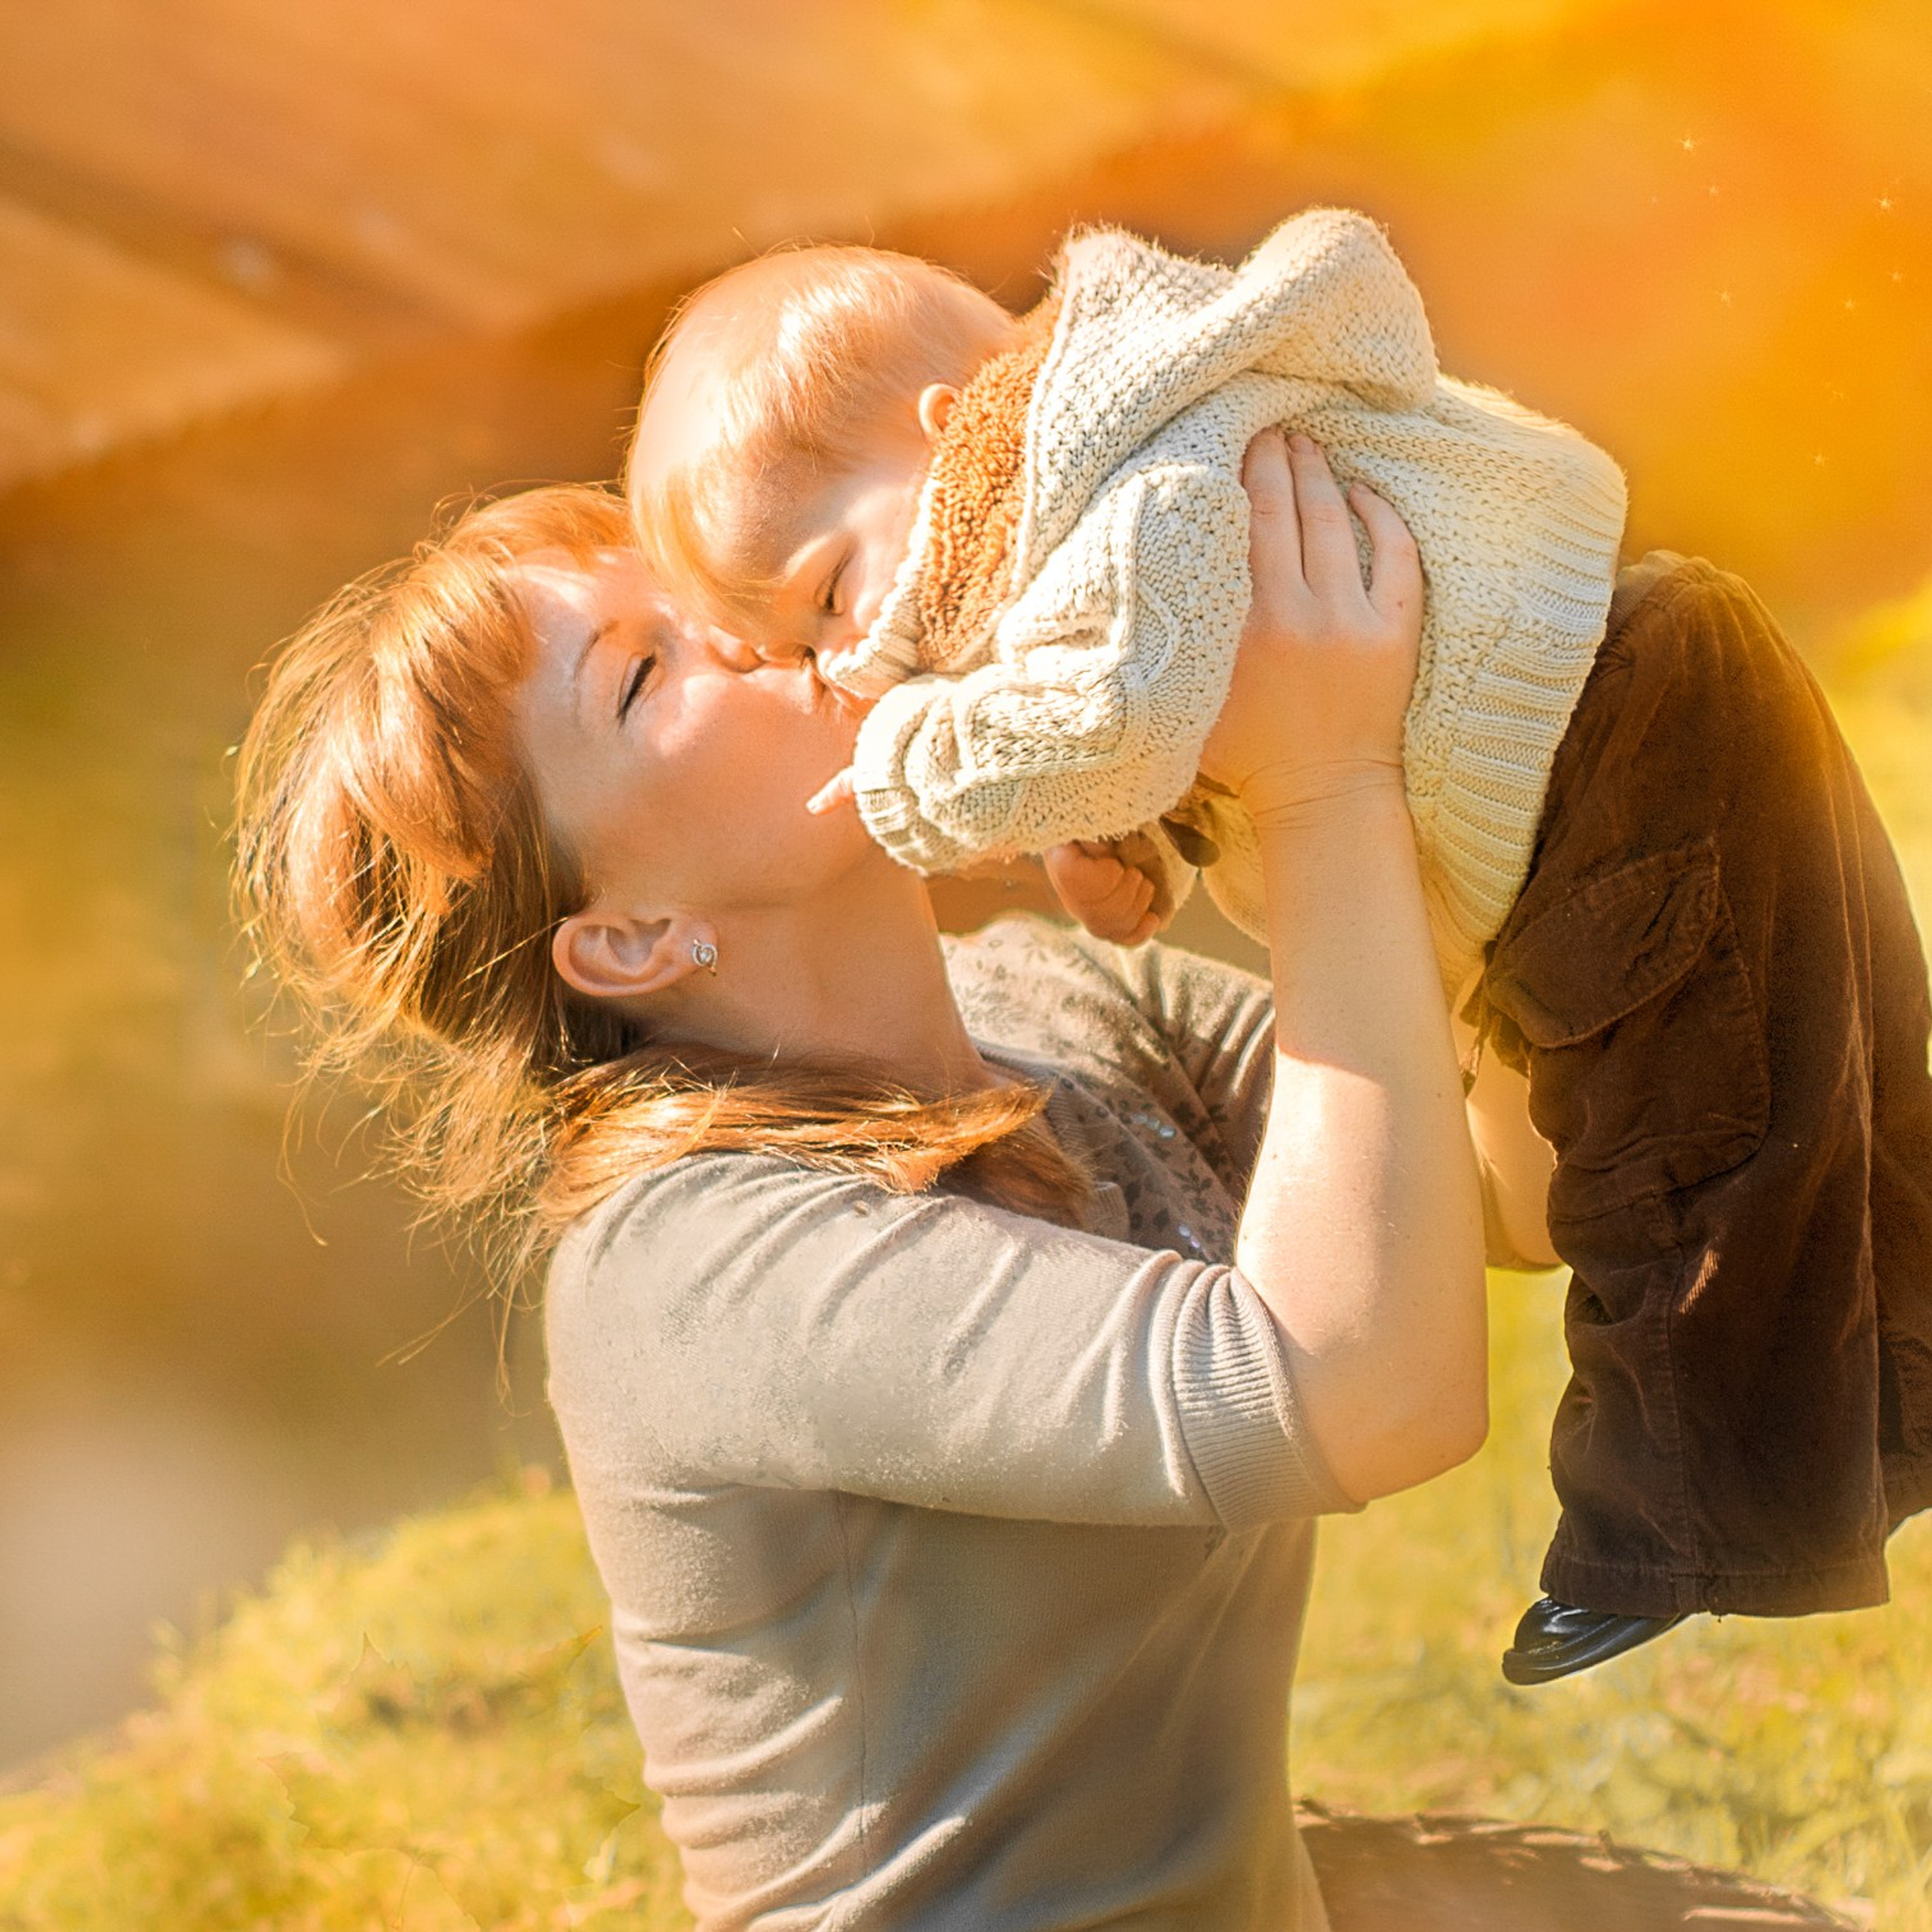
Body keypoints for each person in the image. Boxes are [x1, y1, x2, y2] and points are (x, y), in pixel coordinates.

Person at [623, 213, 1932, 1682]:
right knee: (1828, 1084)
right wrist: (1122, 835)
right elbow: (1166, 693)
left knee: (1682, 1141)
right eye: (806, 651)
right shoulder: (1088, 476)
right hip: (1615, 714)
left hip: (1606, 738)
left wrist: (915, 775)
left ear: (945, 435)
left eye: (829, 594)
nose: (850, 665)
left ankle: (1679, 1525)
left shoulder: (1102, 463)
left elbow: (1133, 694)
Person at [237, 432, 1492, 1927]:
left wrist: (1254, 784)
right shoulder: (691, 1264)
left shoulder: (1048, 1002)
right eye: (643, 671)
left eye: (690, 586)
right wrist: (1323, 785)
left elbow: (1507, 1182)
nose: (742, 624)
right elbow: (1366, 1391)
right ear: (630, 937)